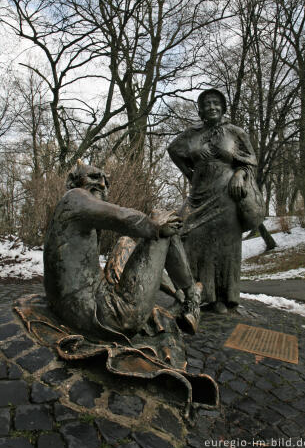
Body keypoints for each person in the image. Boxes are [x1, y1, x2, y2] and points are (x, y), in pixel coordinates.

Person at [43, 160, 201, 346]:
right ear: (73, 183)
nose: (102, 184)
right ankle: (192, 298)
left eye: (105, 181)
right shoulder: (74, 197)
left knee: (125, 242)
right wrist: (154, 226)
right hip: (107, 317)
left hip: (75, 306)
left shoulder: (71, 211)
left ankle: (180, 295)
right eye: (94, 177)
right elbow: (119, 217)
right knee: (165, 220)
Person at [168, 88, 264, 314]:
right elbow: (173, 150)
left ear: (222, 107)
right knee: (190, 238)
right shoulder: (192, 134)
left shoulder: (235, 132)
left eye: (215, 103)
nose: (211, 107)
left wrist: (240, 175)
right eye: (207, 103)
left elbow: (251, 161)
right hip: (199, 195)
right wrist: (189, 173)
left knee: (225, 246)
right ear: (200, 109)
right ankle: (195, 294)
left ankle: (224, 298)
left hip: (227, 195)